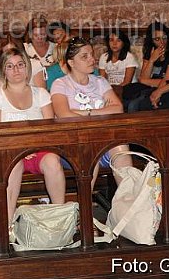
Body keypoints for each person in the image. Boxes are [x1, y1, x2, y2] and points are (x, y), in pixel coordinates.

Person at [0, 48, 65, 223]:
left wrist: (33, 146)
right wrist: (20, 148)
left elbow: (49, 128)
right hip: (9, 151)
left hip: (39, 149)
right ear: (3, 71)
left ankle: (59, 217)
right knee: (14, 165)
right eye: (10, 66)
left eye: (20, 65)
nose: (16, 70)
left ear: (27, 68)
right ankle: (7, 222)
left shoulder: (41, 94)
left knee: (53, 161)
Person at [50, 37, 131, 185]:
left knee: (122, 150)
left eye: (92, 54)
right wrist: (102, 111)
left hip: (103, 138)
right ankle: (85, 206)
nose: (91, 59)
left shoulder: (100, 81)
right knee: (89, 154)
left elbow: (117, 108)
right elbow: (64, 115)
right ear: (71, 62)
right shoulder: (61, 84)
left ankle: (128, 203)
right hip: (74, 143)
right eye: (84, 56)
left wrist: (84, 113)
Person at [124, 22, 169, 112]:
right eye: (157, 39)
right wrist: (152, 60)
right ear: (151, 40)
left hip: (164, 88)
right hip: (149, 87)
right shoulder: (150, 50)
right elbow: (143, 77)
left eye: (164, 38)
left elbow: (168, 80)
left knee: (134, 105)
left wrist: (147, 81)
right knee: (128, 97)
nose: (162, 42)